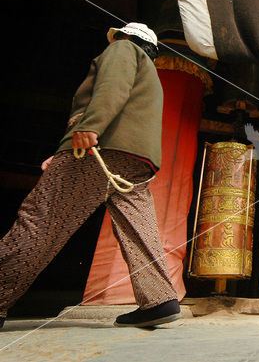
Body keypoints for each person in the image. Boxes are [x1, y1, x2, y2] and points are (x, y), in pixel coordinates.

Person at [0, 23, 181, 328]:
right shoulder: (150, 72)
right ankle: (159, 299)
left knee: (41, 219)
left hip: (103, 146)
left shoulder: (123, 49)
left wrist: (89, 127)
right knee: (139, 229)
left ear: (125, 37)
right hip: (136, 159)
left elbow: (113, 87)